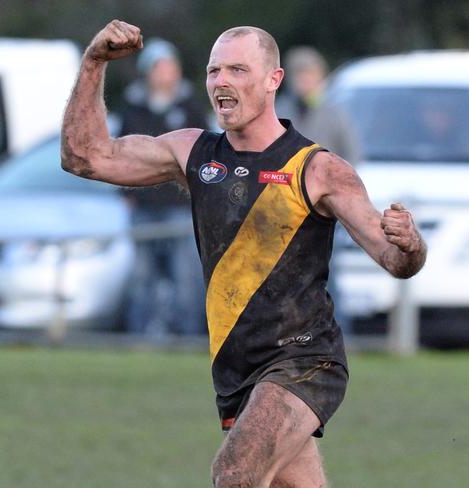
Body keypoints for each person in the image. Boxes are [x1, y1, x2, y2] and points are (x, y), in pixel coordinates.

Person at [61, 20, 427, 487]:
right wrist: (93, 62)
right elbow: (83, 155)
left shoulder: (318, 170)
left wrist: (410, 244)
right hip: (236, 368)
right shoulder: (191, 152)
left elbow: (395, 261)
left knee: (235, 474)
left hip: (303, 360)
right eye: (214, 71)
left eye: (237, 69)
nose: (221, 82)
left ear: (274, 80)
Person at [118, 37, 208, 336]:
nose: (167, 73)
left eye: (171, 66)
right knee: (142, 279)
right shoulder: (132, 108)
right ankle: (139, 337)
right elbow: (120, 155)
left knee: (186, 278)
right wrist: (126, 194)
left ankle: (188, 338)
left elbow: (204, 155)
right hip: (144, 208)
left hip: (180, 209)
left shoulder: (191, 107)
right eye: (160, 67)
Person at [276, 46, 358, 163]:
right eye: (300, 76)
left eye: (311, 75)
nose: (306, 81)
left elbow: (352, 154)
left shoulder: (334, 114)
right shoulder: (278, 111)